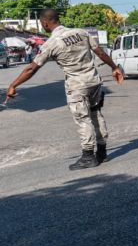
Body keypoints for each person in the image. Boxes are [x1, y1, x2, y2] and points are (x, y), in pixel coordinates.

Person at [4, 9, 124, 170]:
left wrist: (13, 85)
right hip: (94, 81)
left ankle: (88, 156)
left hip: (77, 86)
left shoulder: (51, 43)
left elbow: (31, 68)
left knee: (83, 119)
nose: (42, 26)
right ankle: (102, 152)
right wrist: (114, 68)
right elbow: (101, 53)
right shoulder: (81, 33)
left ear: (45, 23)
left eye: (41, 24)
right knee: (96, 113)